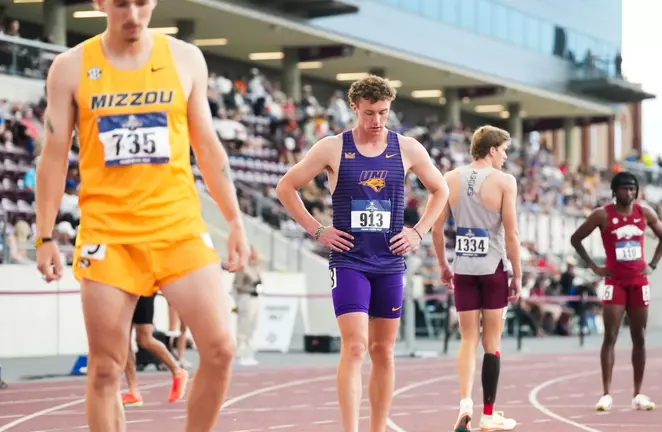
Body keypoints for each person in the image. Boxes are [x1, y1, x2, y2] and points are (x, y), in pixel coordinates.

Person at [34, 1, 249, 431]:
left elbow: (207, 146)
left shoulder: (185, 58)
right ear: (100, 3)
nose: (132, 14)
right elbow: (53, 156)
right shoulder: (70, 68)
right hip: (109, 235)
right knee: (105, 369)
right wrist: (44, 236)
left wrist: (235, 221)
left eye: (141, 2)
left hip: (178, 228)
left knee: (221, 348)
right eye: (120, 3)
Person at [276, 75, 449, 432]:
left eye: (383, 112)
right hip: (349, 261)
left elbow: (441, 190)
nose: (377, 120)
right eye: (370, 113)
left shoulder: (407, 148)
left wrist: (418, 231)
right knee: (355, 347)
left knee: (383, 351)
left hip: (389, 262)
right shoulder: (332, 148)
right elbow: (286, 187)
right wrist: (318, 230)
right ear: (354, 108)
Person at [432, 126, 521, 432]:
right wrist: (518, 274)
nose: (506, 157)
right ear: (492, 150)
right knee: (491, 342)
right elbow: (511, 233)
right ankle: (489, 414)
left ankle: (465, 404)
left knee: (468, 339)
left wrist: (444, 265)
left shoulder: (449, 178)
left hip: (463, 268)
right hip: (493, 268)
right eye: (504, 150)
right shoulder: (505, 181)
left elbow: (436, 229)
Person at [569, 171, 662, 412]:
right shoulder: (602, 215)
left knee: (639, 337)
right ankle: (606, 394)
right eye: (624, 189)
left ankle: (638, 393)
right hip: (615, 283)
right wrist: (594, 266)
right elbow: (576, 239)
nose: (629, 193)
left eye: (632, 189)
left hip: (639, 283)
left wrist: (653, 265)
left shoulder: (644, 213)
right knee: (610, 336)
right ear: (615, 191)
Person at [122, 294, 188, 407]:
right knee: (124, 339)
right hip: (124, 292)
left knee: (144, 338)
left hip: (142, 292)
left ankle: (177, 371)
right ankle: (133, 392)